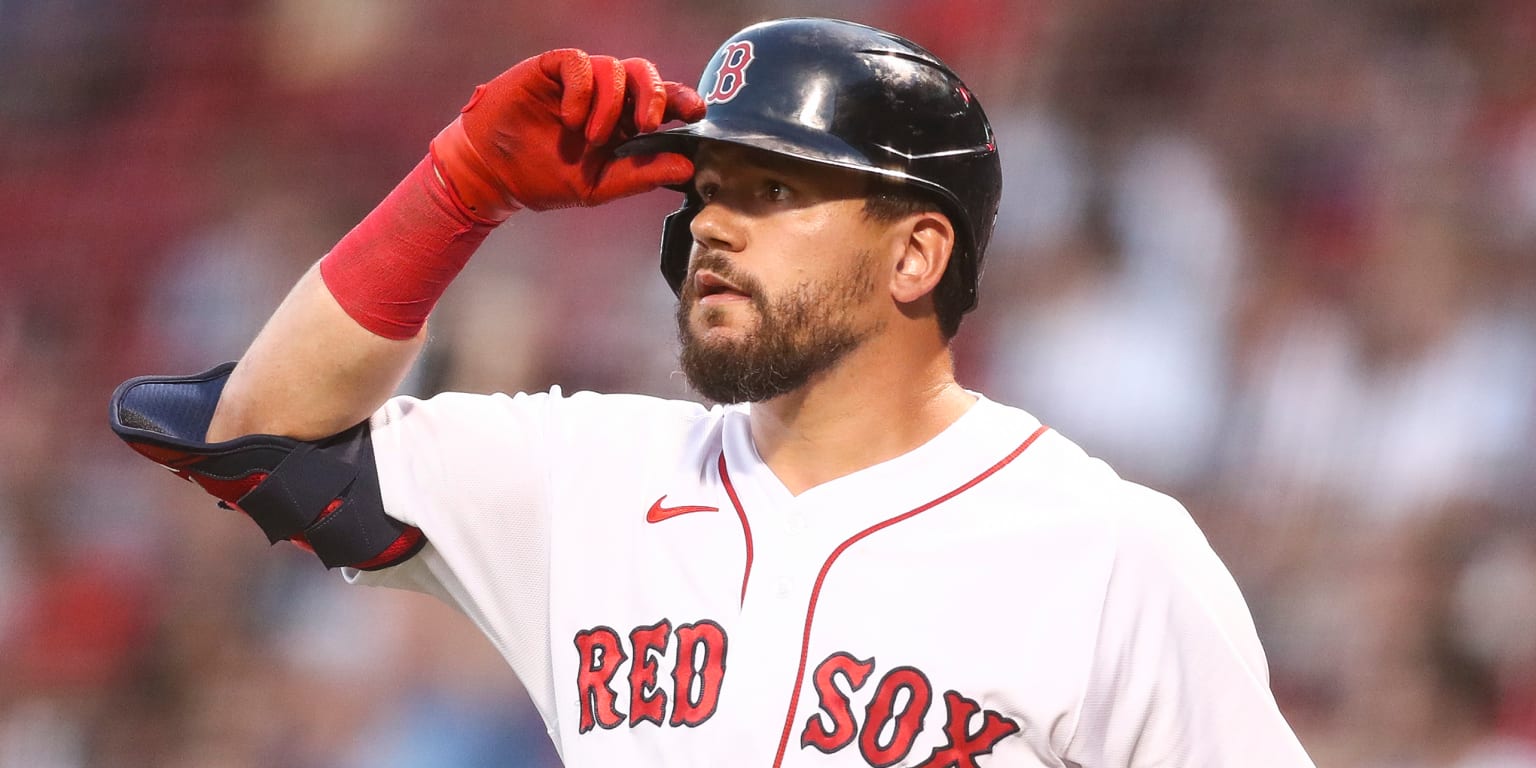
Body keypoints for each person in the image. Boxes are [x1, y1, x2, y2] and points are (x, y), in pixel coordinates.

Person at [110, 17, 1315, 767]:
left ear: (917, 255)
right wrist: (460, 185)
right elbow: (252, 433)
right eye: (709, 189)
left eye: (777, 192)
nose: (717, 226)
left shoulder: (1108, 552)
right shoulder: (586, 479)